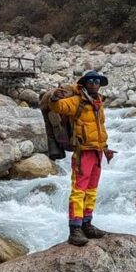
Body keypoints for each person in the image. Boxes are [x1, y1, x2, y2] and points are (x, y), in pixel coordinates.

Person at [50, 70, 115, 246]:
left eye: (97, 81)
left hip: (97, 151)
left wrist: (106, 148)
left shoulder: (98, 103)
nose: (94, 84)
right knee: (79, 190)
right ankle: (75, 228)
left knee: (92, 189)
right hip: (82, 152)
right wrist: (54, 98)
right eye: (91, 81)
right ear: (84, 83)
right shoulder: (77, 101)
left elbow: (100, 128)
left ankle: (87, 223)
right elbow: (58, 107)